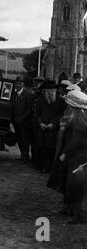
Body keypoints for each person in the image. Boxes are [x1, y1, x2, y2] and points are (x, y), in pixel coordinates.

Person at [49, 91, 87, 224]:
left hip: (78, 158)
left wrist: (65, 154)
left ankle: (79, 214)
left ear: (74, 107)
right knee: (68, 182)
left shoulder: (80, 121)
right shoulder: (77, 117)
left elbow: (76, 142)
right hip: (75, 156)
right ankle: (67, 208)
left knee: (75, 185)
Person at [36, 80, 66, 173]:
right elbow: (37, 114)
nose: (50, 92)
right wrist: (40, 123)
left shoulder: (61, 101)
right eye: (48, 90)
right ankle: (42, 165)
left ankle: (50, 167)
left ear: (55, 90)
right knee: (42, 147)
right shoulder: (41, 100)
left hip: (54, 129)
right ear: (44, 91)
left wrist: (53, 123)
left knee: (51, 149)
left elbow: (61, 114)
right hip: (42, 128)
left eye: (52, 90)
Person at [11, 77, 32, 164]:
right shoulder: (14, 94)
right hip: (16, 120)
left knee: (25, 139)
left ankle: (26, 158)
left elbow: (29, 108)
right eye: (16, 84)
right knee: (19, 138)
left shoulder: (27, 94)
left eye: (19, 83)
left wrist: (22, 118)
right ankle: (22, 156)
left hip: (24, 121)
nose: (17, 85)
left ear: (23, 84)